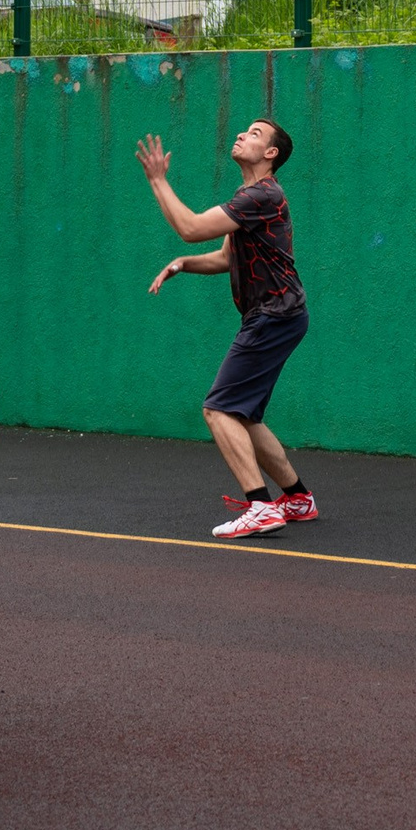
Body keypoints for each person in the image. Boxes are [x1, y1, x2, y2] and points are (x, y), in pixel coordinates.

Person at [138, 119, 318, 542]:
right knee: (244, 415)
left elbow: (190, 227)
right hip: (283, 314)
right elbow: (223, 257)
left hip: (274, 314)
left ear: (271, 154)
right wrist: (184, 263)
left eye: (255, 134)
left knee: (218, 409)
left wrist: (159, 181)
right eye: (245, 130)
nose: (242, 135)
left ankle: (259, 506)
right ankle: (297, 499)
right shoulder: (250, 199)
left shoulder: (262, 193)